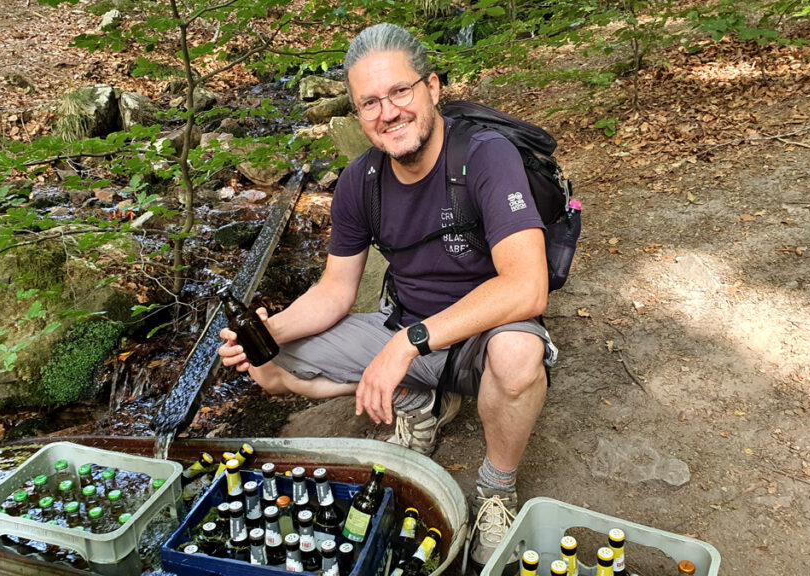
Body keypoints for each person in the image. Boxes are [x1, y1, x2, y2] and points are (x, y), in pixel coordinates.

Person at [218, 22, 557, 566]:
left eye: (400, 91)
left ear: (433, 88)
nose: (389, 112)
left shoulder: (485, 157)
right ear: (357, 115)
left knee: (519, 355)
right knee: (266, 365)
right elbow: (334, 291)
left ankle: (496, 489)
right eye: (369, 102)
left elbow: (526, 286)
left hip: (479, 335)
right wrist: (267, 332)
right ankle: (419, 401)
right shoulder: (360, 182)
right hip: (401, 323)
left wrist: (405, 347)